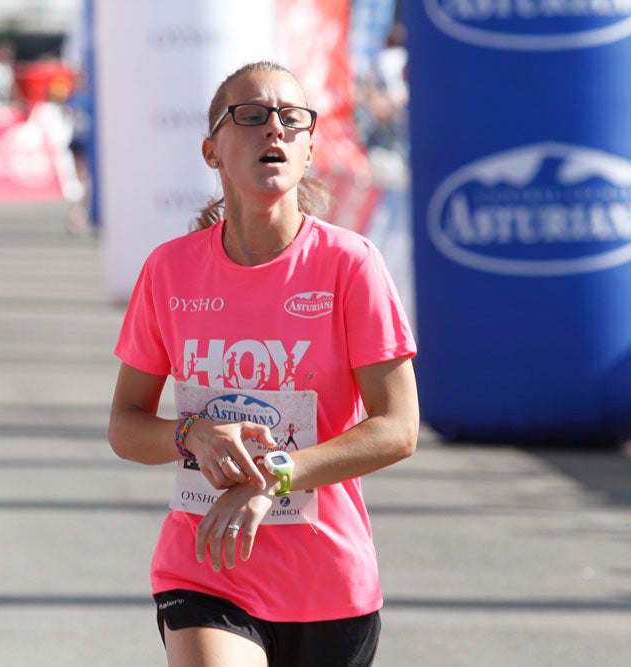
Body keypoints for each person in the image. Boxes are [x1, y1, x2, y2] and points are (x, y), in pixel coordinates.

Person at [109, 60, 419, 666]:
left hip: (327, 581)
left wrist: (274, 475)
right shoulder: (169, 271)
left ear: (307, 150)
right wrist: (190, 433)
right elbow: (125, 425)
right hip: (205, 567)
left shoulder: (350, 265)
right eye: (250, 116)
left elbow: (397, 428)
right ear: (211, 151)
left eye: (291, 119)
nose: (273, 129)